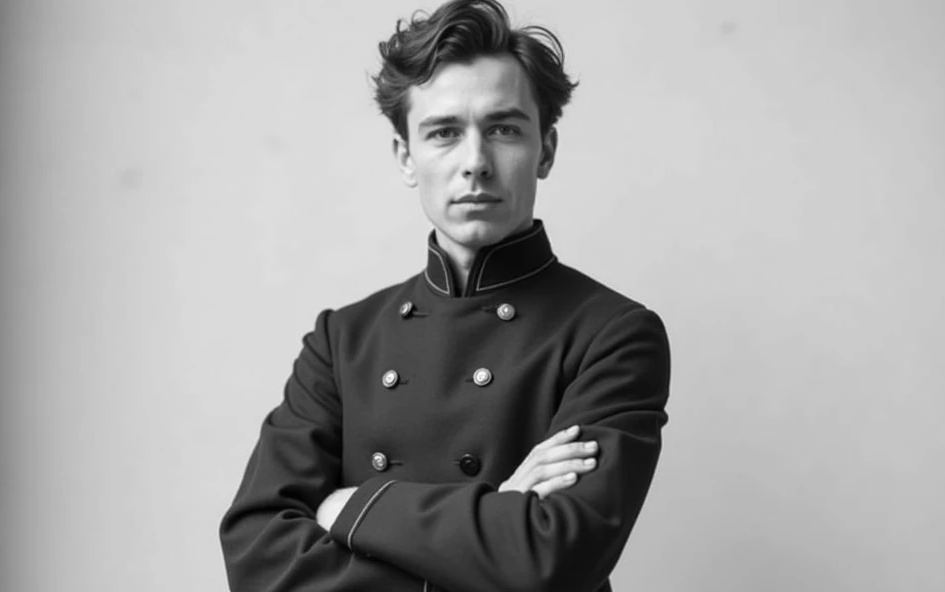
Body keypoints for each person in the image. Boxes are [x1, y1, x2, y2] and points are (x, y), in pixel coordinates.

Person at [218, 1, 671, 590]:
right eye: (444, 133)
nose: (475, 163)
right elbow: (256, 552)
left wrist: (352, 508)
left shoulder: (613, 333)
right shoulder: (342, 339)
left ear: (547, 150)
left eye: (504, 129)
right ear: (407, 156)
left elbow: (551, 558)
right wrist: (496, 520)